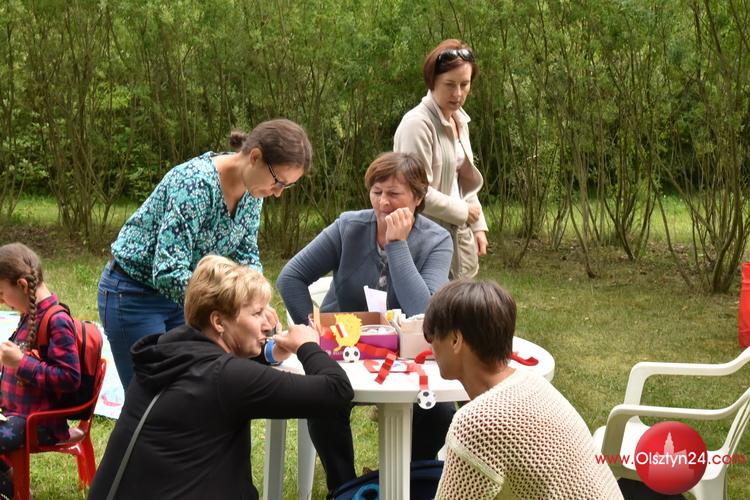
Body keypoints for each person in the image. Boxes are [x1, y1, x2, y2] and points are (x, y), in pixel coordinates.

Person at [88, 255, 353, 500]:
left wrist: (269, 353)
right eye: (256, 313)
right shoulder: (225, 378)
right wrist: (308, 345)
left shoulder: (167, 350)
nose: (267, 325)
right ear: (218, 322)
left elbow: (213, 364)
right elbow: (337, 391)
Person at [276, 151, 454, 493]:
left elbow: (426, 312)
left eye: (394, 193)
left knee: (439, 412)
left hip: (409, 357)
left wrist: (397, 245)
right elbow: (291, 277)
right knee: (323, 401)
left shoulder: (436, 240)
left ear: (417, 198)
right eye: (377, 191)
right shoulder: (349, 227)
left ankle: (405, 484)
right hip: (344, 352)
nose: (383, 202)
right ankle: (346, 489)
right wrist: (312, 333)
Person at [98, 118, 313, 390]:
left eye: (286, 186)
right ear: (255, 157)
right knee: (153, 398)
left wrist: (256, 304)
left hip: (190, 296)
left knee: (193, 391)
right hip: (135, 294)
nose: (278, 193)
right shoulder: (195, 184)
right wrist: (232, 305)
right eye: (278, 181)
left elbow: (246, 253)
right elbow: (167, 271)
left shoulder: (253, 192)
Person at [423, 280, 623, 499]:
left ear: (455, 340)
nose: (431, 346)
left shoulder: (477, 423)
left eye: (431, 335)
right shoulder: (533, 383)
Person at [394, 39, 488, 279]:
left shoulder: (459, 120)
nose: (458, 93)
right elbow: (415, 192)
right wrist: (464, 212)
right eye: (449, 84)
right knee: (432, 301)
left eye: (464, 84)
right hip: (425, 241)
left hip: (459, 237)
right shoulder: (417, 125)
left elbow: (463, 180)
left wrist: (478, 226)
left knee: (463, 300)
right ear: (432, 81)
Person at [0, 243, 81, 498]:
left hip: (39, 423)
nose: (1, 301)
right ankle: (12, 481)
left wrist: (20, 363)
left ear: (22, 285)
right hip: (13, 415)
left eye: (2, 293)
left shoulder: (57, 320)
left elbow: (70, 378)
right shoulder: (29, 315)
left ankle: (16, 490)